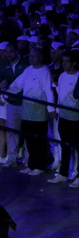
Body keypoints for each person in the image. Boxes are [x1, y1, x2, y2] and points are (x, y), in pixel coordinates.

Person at [5, 46, 56, 175]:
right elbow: (17, 85)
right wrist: (5, 95)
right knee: (29, 139)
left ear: (41, 57)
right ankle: (32, 165)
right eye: (30, 56)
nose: (32, 58)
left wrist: (51, 108)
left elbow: (48, 91)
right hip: (27, 111)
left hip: (39, 111)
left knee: (39, 139)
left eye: (34, 56)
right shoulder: (28, 70)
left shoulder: (45, 72)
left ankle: (40, 166)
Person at [50, 50, 79, 188]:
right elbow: (60, 95)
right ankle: (63, 173)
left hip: (77, 118)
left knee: (78, 148)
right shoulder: (61, 76)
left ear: (74, 63)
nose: (64, 64)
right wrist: (57, 110)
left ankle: (78, 175)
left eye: (67, 61)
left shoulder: (78, 77)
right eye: (63, 61)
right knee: (65, 145)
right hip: (64, 117)